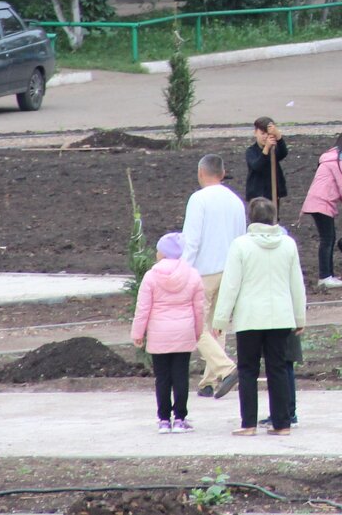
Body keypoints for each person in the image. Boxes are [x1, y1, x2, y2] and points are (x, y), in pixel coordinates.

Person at [213, 197, 307, 436]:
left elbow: (231, 285)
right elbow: (296, 284)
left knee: (247, 370)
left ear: (251, 218)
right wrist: (299, 318)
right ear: (273, 217)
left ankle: (248, 424)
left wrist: (221, 320)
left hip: (249, 318)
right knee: (277, 369)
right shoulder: (288, 244)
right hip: (281, 317)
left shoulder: (240, 245)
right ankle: (283, 424)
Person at [181, 154, 246, 399]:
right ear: (222, 172)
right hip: (229, 270)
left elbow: (192, 240)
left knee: (195, 325)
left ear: (200, 173)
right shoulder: (236, 201)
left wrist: (183, 270)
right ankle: (208, 382)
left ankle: (226, 368)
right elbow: (240, 238)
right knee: (217, 325)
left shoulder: (198, 200)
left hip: (203, 272)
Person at [130, 232, 205, 434]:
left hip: (158, 334)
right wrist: (198, 332)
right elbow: (199, 309)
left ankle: (164, 419)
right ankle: (180, 418)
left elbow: (143, 308)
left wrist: (138, 333)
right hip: (184, 333)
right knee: (181, 376)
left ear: (162, 254)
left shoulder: (151, 277)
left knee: (162, 378)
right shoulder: (193, 275)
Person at [300, 131, 342, 288]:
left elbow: (338, 187)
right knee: (327, 239)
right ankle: (325, 277)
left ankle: (328, 275)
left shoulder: (331, 157)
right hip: (322, 203)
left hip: (317, 201)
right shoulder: (340, 161)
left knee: (328, 238)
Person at [245, 116, 288, 207]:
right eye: (262, 133)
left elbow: (283, 153)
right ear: (255, 133)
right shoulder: (251, 151)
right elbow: (257, 166)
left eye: (268, 134)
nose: (265, 137)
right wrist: (266, 148)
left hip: (273, 191)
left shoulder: (273, 150)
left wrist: (279, 137)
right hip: (257, 193)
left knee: (273, 215)